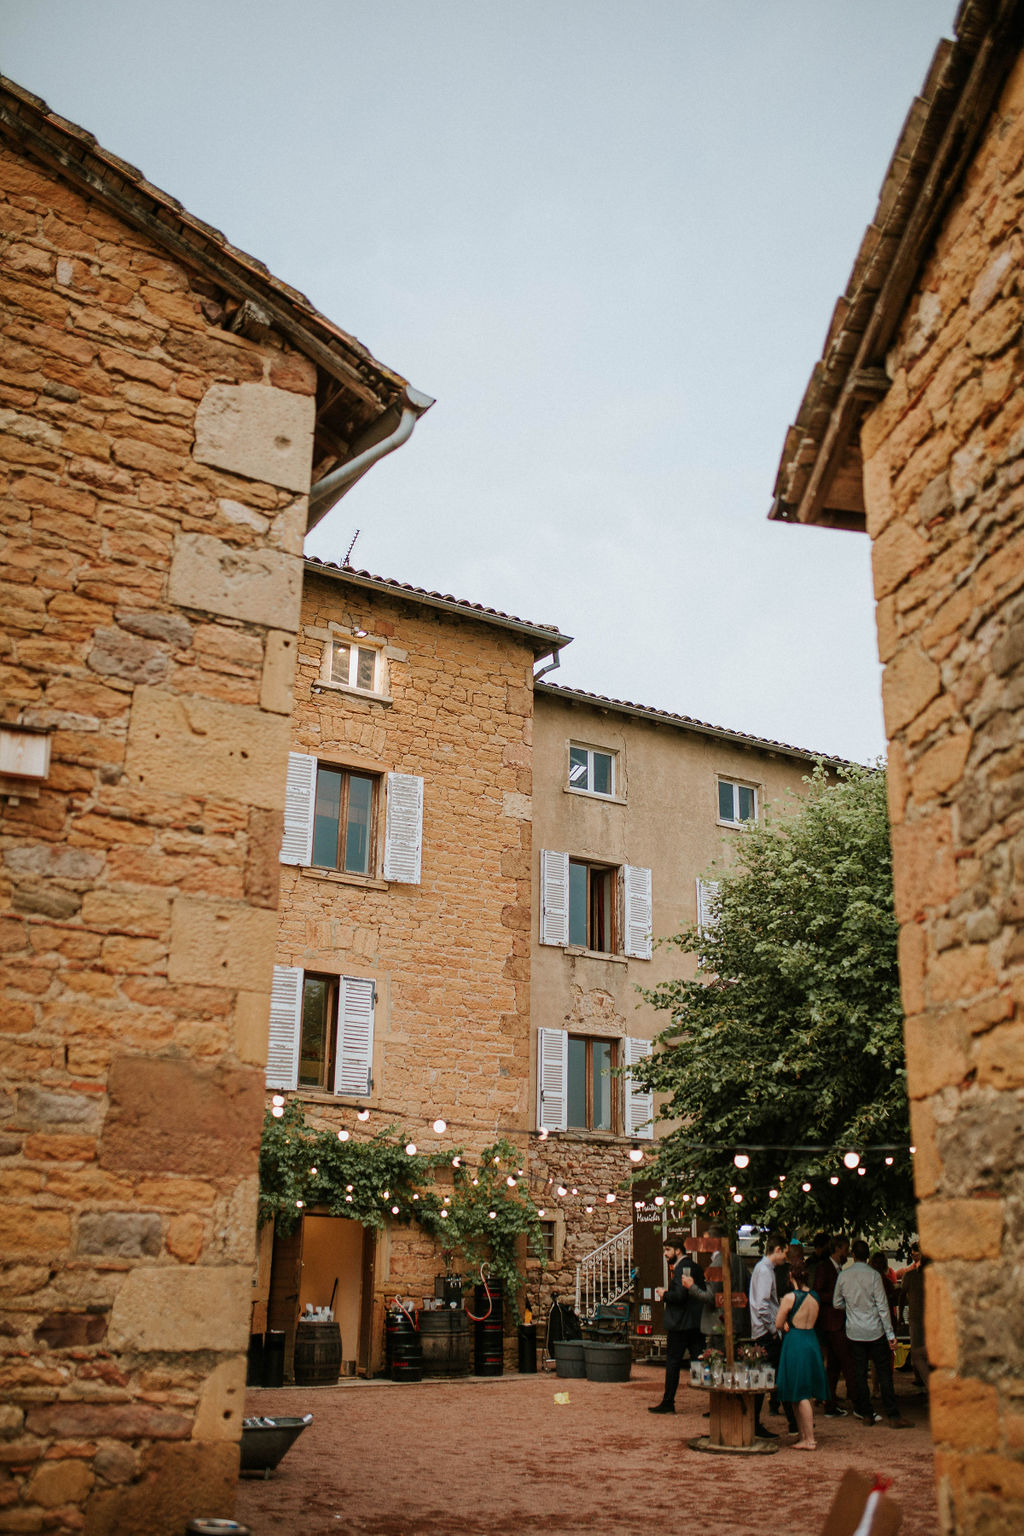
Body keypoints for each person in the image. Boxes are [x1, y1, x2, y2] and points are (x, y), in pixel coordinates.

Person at [833, 1239, 911, 1428]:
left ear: (853, 1255)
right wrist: (890, 1334)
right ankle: (892, 1414)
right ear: (867, 1256)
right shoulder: (875, 1276)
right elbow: (883, 1307)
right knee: (884, 1373)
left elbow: (837, 1303)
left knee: (859, 1373)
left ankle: (866, 1412)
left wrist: (851, 1309)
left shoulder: (844, 1276)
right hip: (875, 1330)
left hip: (854, 1330)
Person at [649, 1234, 712, 1415]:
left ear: (678, 1251)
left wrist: (664, 1294)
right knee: (700, 1361)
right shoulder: (694, 1266)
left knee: (673, 1363)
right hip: (694, 1323)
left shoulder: (681, 1268)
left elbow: (680, 1295)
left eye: (668, 1250)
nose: (665, 1254)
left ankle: (668, 1401)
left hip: (680, 1323)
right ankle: (716, 1401)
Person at [748, 1232, 798, 1439]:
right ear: (777, 1249)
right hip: (767, 1333)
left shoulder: (762, 1269)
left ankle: (791, 1422)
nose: (785, 1258)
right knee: (775, 1376)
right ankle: (792, 1422)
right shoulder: (765, 1270)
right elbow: (762, 1306)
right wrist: (773, 1330)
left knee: (769, 1376)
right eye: (784, 1253)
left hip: (764, 1331)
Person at [775, 1257, 829, 1450]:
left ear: (791, 1276)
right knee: (804, 1389)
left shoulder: (790, 1297)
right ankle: (804, 1435)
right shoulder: (815, 1296)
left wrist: (786, 1323)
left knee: (800, 1391)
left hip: (795, 1341)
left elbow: (778, 1323)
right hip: (810, 1338)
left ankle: (809, 1438)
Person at [813, 1233, 857, 1417]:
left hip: (836, 1321)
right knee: (847, 1363)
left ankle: (830, 1403)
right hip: (833, 1321)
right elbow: (816, 1292)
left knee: (834, 1366)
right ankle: (857, 1402)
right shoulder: (826, 1268)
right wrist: (837, 1299)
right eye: (846, 1249)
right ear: (838, 1249)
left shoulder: (837, 1269)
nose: (847, 1253)